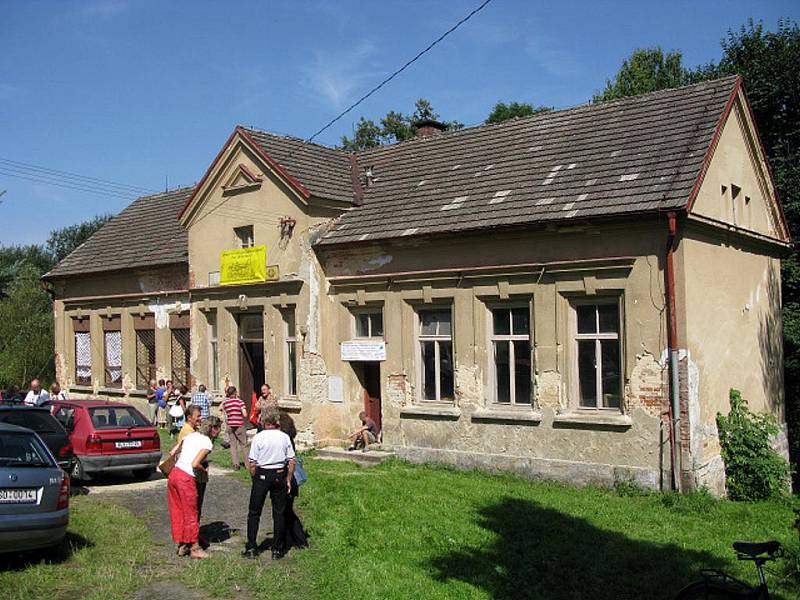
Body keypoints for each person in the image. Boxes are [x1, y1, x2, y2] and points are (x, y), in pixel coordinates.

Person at [243, 408, 296, 560]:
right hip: (279, 474)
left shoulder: (259, 437)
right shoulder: (284, 437)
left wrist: (254, 478)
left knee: (254, 512)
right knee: (278, 513)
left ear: (264, 421)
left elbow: (252, 463)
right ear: (276, 421)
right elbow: (291, 461)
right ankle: (277, 549)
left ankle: (252, 547)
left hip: (262, 474)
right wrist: (288, 478)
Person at [167, 415, 221, 560]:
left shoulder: (190, 436)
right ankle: (195, 548)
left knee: (179, 511)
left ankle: (183, 544)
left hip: (174, 474)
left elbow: (173, 452)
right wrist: (204, 471)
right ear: (212, 429)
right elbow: (195, 464)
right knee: (191, 512)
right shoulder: (207, 442)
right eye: (218, 429)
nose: (219, 433)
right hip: (186, 478)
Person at [279, 411, 308, 550]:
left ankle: (298, 540)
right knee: (285, 510)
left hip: (288, 478)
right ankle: (291, 540)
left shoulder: (285, 440)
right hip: (289, 479)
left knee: (285, 511)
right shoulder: (288, 437)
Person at [178, 405, 209, 520]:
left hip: (194, 473)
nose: (200, 418)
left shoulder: (192, 430)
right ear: (189, 417)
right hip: (192, 473)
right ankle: (193, 535)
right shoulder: (188, 432)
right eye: (198, 416)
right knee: (194, 506)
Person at [221, 386, 248, 470]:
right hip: (239, 424)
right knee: (243, 444)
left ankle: (235, 464)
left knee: (233, 445)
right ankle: (247, 464)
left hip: (230, 425)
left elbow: (221, 408)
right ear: (235, 392)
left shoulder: (226, 403)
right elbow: (245, 414)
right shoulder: (240, 402)